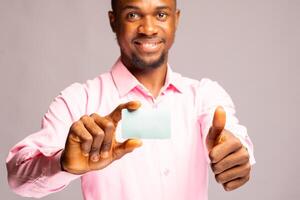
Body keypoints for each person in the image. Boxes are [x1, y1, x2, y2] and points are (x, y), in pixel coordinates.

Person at [6, 0, 255, 199]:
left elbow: (232, 137)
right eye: (133, 15)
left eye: (160, 15)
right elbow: (17, 177)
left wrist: (236, 155)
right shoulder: (78, 100)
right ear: (113, 21)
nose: (148, 29)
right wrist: (62, 164)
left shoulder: (204, 96)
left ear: (176, 19)